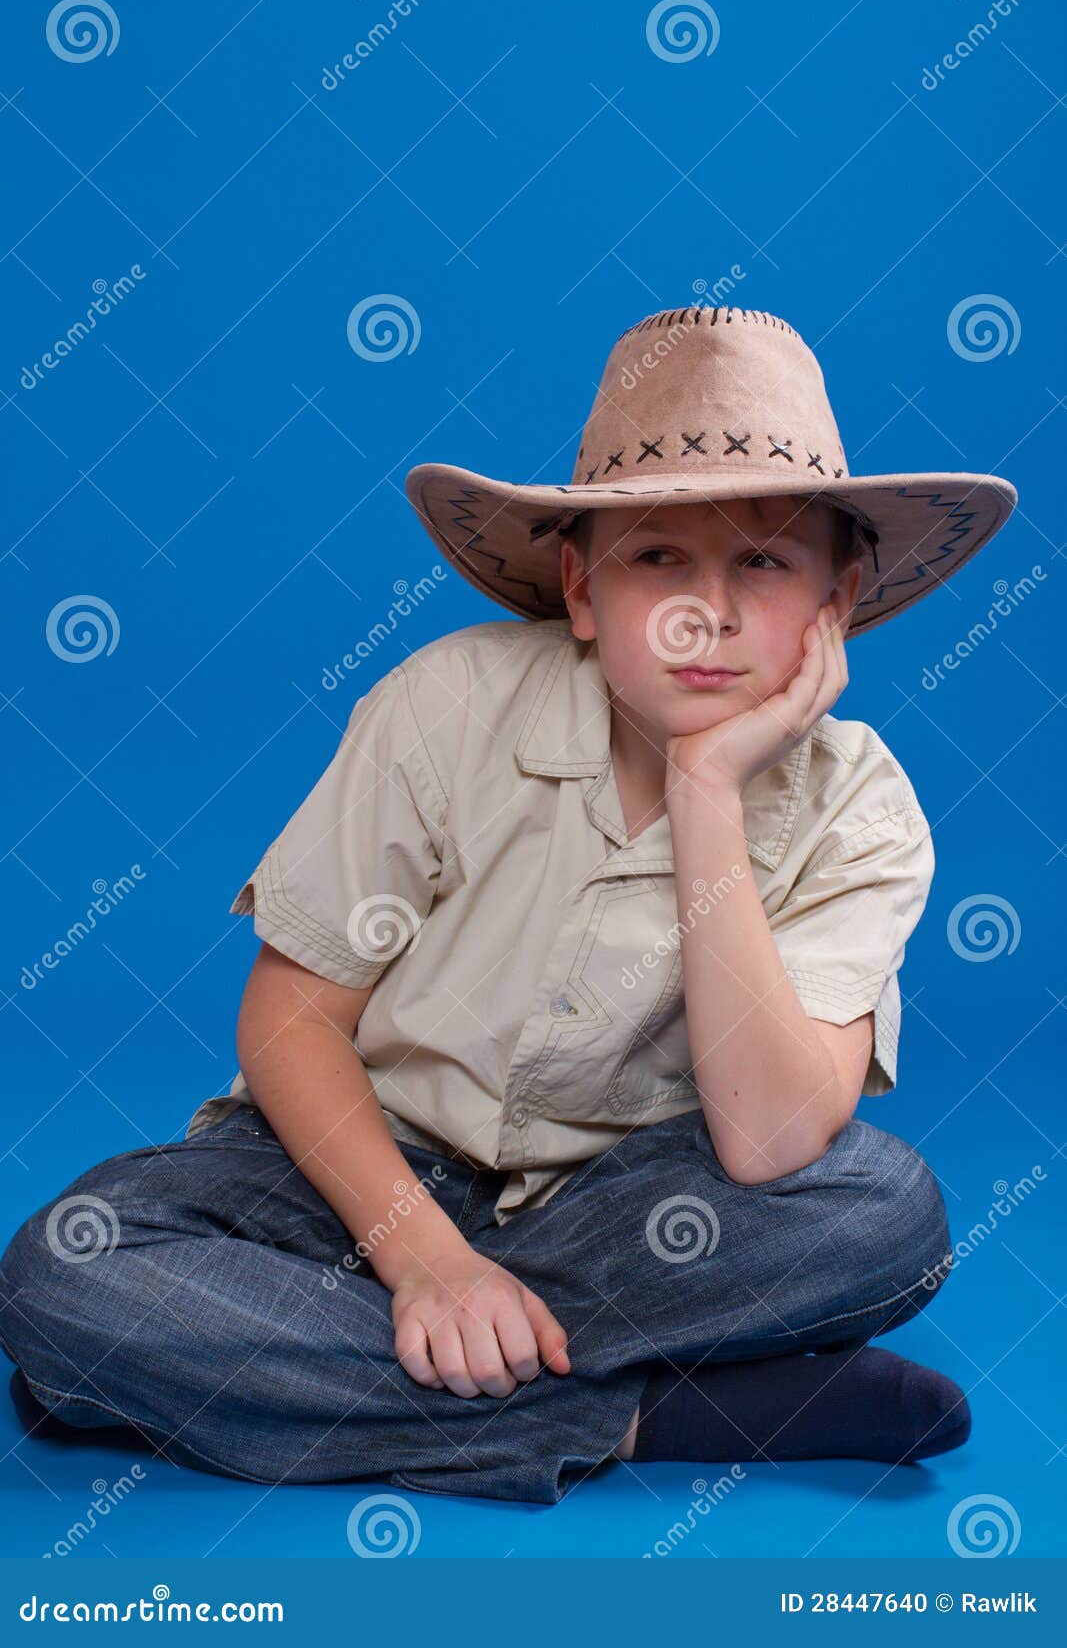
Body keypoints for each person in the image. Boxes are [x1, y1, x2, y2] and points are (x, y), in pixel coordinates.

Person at [0, 305, 1017, 1506]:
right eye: (656, 560)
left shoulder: (863, 810)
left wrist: (703, 789)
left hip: (627, 1209)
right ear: (580, 590)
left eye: (763, 561)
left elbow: (767, 1140)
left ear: (835, 600)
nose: (708, 612)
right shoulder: (447, 705)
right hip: (352, 1177)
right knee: (65, 1269)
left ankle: (223, 1371)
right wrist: (426, 1264)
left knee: (882, 1211)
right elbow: (291, 1021)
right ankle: (654, 1412)